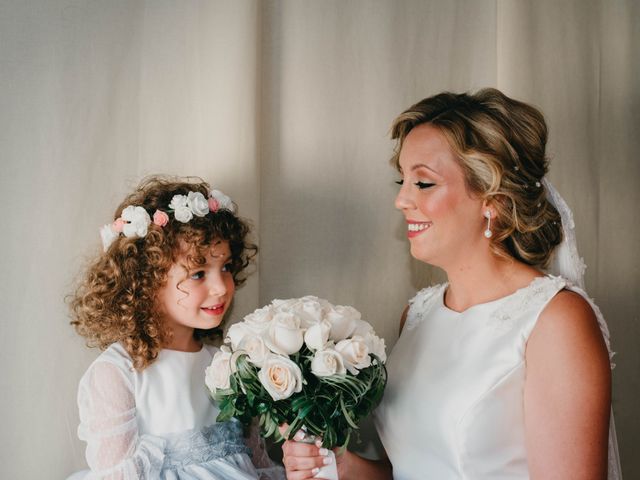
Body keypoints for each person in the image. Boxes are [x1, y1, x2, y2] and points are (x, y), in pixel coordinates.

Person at [281, 89, 622, 479]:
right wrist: (343, 467)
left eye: (423, 183)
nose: (401, 201)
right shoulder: (419, 314)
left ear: (491, 198)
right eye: (402, 181)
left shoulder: (555, 321)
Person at [68, 175, 284, 479]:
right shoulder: (118, 373)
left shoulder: (230, 365)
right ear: (146, 282)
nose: (221, 287)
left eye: (225, 267)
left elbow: (259, 466)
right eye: (198, 273)